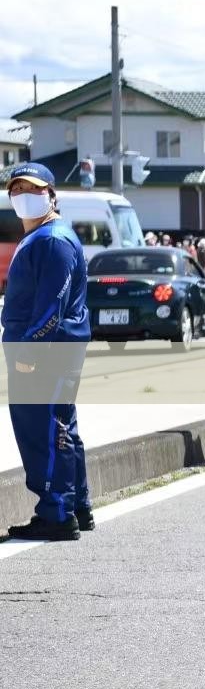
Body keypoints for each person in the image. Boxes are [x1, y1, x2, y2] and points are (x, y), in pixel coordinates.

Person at [2, 163, 92, 541]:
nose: (24, 195)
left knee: (44, 428)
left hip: (44, 350)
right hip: (55, 348)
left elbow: (50, 307)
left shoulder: (52, 240)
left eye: (33, 189)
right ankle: (76, 505)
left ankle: (57, 512)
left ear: (51, 195)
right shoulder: (44, 236)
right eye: (17, 189)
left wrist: (30, 351)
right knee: (61, 424)